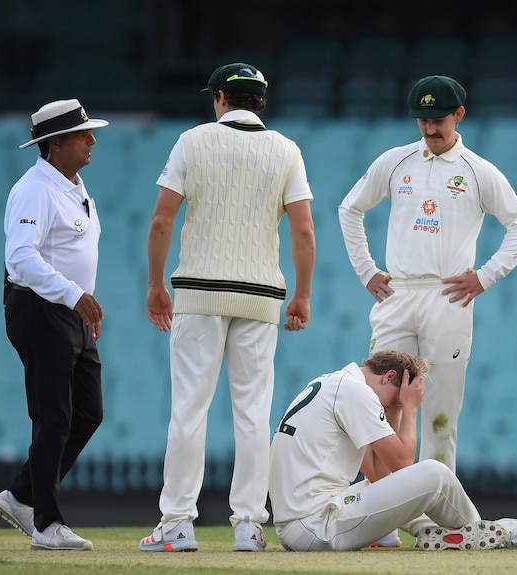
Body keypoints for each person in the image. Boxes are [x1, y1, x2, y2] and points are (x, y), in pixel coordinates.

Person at [138, 62, 316, 553]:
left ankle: (176, 522)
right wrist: (301, 293)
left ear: (220, 98)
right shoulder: (286, 150)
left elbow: (161, 221)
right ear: (260, 101)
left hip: (198, 292)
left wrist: (156, 283)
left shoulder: (192, 142)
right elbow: (303, 229)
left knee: (189, 409)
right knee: (254, 415)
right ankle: (249, 527)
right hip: (260, 297)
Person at [338, 74, 517, 474]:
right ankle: (384, 510)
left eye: (439, 119)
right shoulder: (395, 161)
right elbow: (350, 209)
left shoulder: (478, 171)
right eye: (423, 120)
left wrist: (485, 276)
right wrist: (367, 271)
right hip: (397, 294)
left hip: (448, 299)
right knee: (379, 404)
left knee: (441, 413)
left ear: (459, 115)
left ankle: (436, 512)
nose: (431, 128)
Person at [0, 99, 108, 551]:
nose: (92, 140)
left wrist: (81, 303)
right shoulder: (34, 189)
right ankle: (46, 524)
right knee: (53, 416)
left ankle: (22, 494)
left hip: (68, 311)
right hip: (40, 310)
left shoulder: (72, 183)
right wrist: (74, 295)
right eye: (83, 135)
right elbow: (20, 258)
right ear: (54, 144)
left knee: (87, 413)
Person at [268, 349, 517, 551]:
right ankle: (479, 533)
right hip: (316, 526)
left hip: (300, 526)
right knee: (435, 474)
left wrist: (393, 408)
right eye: (396, 399)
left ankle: (437, 532)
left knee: (386, 485)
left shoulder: (336, 384)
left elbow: (382, 476)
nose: (392, 407)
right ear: (390, 377)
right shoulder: (356, 392)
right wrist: (410, 408)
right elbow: (403, 464)